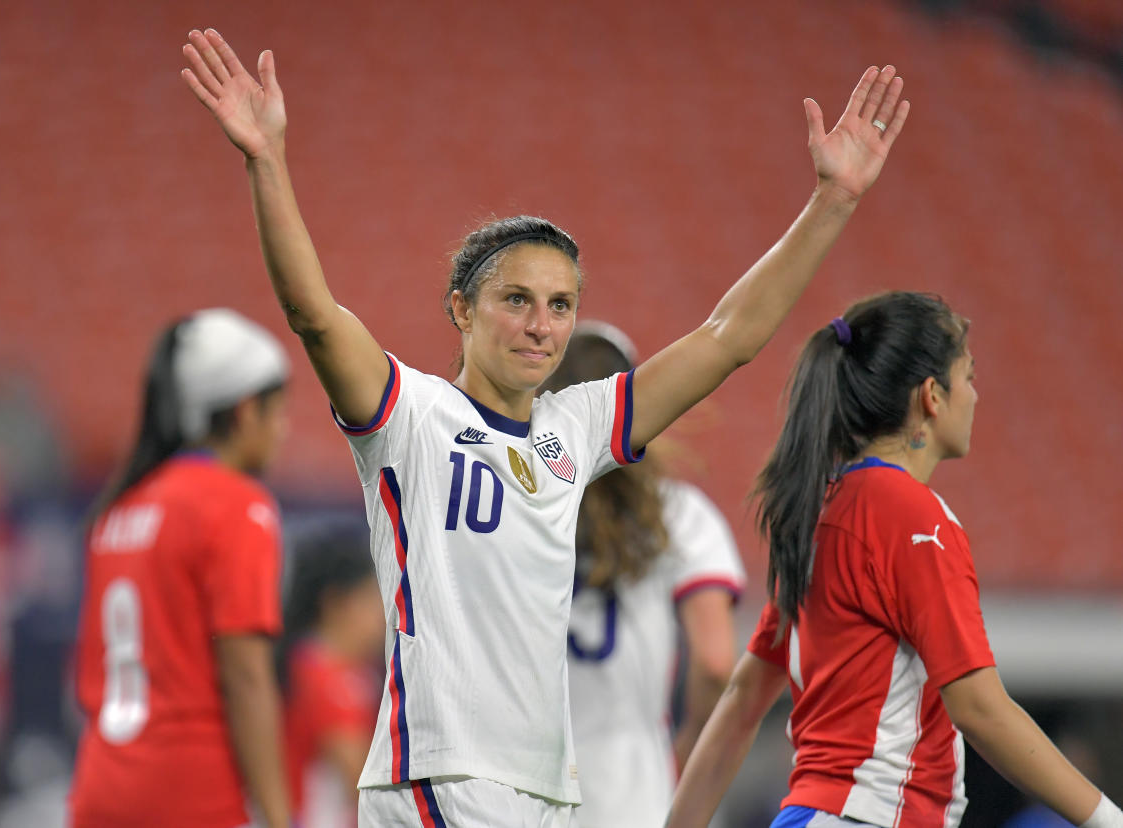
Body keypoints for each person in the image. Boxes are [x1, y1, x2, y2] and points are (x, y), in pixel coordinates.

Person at [181, 27, 908, 826]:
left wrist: (831, 201)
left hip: (549, 793)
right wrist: (266, 160)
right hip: (437, 778)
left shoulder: (578, 427)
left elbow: (728, 337)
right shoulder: (410, 416)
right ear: (461, 309)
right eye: (516, 300)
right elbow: (313, 316)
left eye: (560, 305)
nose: (541, 325)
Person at [666, 292, 1123, 828]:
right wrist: (1104, 817)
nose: (975, 396)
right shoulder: (911, 516)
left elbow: (745, 697)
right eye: (969, 377)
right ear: (932, 395)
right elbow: (978, 707)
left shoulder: (822, 513)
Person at [69, 308, 292, 828]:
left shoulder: (118, 510)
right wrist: (281, 817)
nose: (283, 429)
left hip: (98, 789)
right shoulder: (235, 504)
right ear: (244, 411)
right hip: (190, 795)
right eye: (277, 409)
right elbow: (246, 677)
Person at [541, 322, 745, 828]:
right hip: (637, 792)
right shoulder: (680, 515)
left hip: (523, 795)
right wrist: (690, 745)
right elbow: (717, 662)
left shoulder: (520, 507)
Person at [279, 519, 385, 827]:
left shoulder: (342, 671)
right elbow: (362, 781)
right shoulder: (325, 675)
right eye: (371, 598)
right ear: (336, 603)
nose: (382, 612)